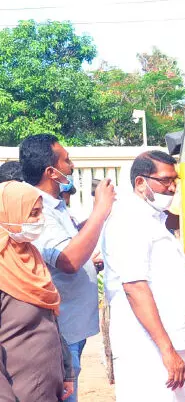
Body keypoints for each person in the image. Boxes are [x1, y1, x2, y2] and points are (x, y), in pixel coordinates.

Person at [19, 134, 116, 402]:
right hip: (60, 332)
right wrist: (100, 210)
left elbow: (71, 243)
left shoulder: (55, 205)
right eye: (67, 161)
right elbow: (69, 260)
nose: (71, 166)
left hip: (72, 327)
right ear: (51, 172)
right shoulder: (35, 208)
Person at [102, 150, 185, 401]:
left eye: (174, 180)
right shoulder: (129, 219)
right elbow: (135, 287)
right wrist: (167, 350)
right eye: (165, 180)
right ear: (140, 183)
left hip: (164, 341)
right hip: (147, 346)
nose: (172, 187)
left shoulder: (150, 218)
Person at [0, 180, 75, 402]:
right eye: (33, 214)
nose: (40, 220)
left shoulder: (32, 255)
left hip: (49, 388)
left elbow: (50, 318)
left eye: (41, 212)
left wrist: (66, 370)